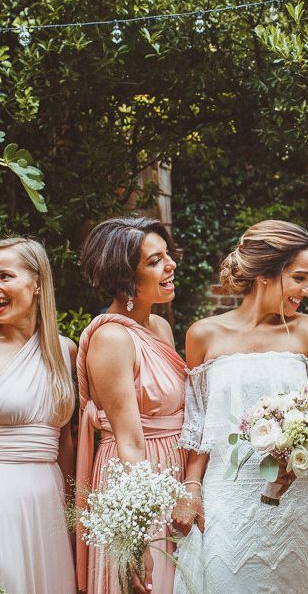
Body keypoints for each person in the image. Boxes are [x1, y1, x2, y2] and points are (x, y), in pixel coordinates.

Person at [173, 220, 308, 593]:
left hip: (296, 500)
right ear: (266, 274)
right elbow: (197, 428)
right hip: (226, 499)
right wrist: (191, 487)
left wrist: (303, 454)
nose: (307, 291)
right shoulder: (203, 334)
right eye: (299, 278)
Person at [75, 217, 188, 594]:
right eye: (154, 261)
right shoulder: (112, 338)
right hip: (134, 478)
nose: (170, 264)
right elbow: (129, 441)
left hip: (171, 471)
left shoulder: (161, 327)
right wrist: (137, 533)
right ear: (125, 279)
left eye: (167, 254)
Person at [0, 238, 76, 594]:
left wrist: (74, 511)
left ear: (37, 283)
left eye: (4, 276)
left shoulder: (64, 350)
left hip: (49, 500)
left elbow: (66, 441)